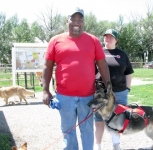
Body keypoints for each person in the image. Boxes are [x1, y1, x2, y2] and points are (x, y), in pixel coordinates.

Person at [42, 7, 110, 150]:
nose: (77, 22)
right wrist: (45, 90)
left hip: (87, 96)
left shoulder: (93, 40)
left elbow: (102, 65)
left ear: (84, 21)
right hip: (64, 97)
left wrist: (108, 89)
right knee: (68, 130)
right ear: (68, 20)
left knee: (87, 130)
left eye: (80, 19)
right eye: (73, 19)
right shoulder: (55, 41)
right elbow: (47, 66)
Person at [94, 29, 134, 150]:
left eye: (111, 36)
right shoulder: (98, 52)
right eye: (106, 36)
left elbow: (128, 73)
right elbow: (92, 71)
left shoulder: (122, 54)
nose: (108, 38)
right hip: (102, 93)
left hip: (120, 92)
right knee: (99, 120)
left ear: (116, 40)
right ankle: (98, 145)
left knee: (117, 119)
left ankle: (116, 145)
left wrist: (127, 88)